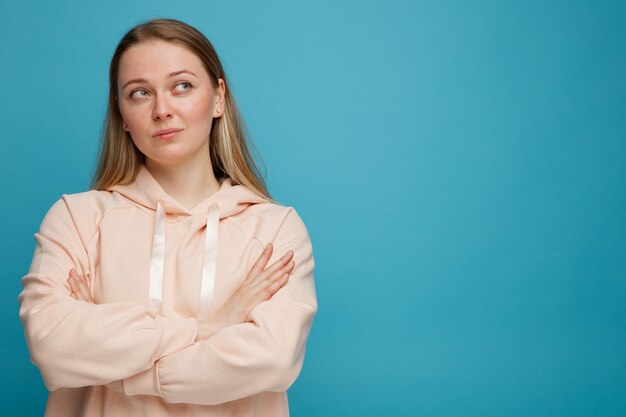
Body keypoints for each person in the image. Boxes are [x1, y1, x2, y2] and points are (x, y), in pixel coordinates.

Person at [18, 18, 317, 417]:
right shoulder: (76, 219)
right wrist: (207, 328)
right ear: (122, 114)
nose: (162, 110)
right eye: (140, 93)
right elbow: (52, 344)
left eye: (182, 86)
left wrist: (116, 368)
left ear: (218, 98)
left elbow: (271, 361)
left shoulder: (275, 229)